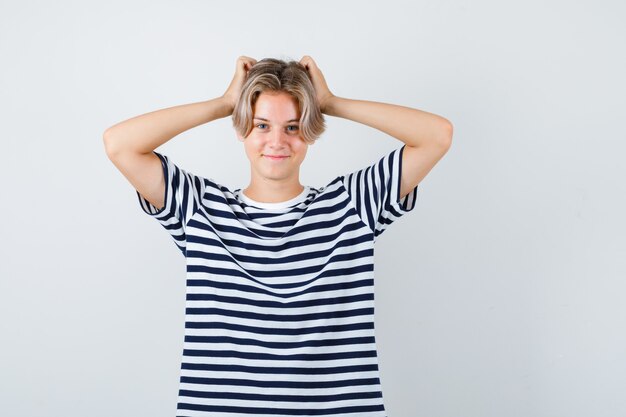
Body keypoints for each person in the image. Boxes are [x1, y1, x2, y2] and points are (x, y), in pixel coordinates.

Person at [103, 55, 452, 416]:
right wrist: (223, 104)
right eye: (262, 125)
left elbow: (436, 136)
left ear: (310, 132)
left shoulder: (350, 205)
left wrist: (330, 103)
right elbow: (120, 144)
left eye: (292, 127)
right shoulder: (199, 208)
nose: (277, 141)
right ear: (242, 130)